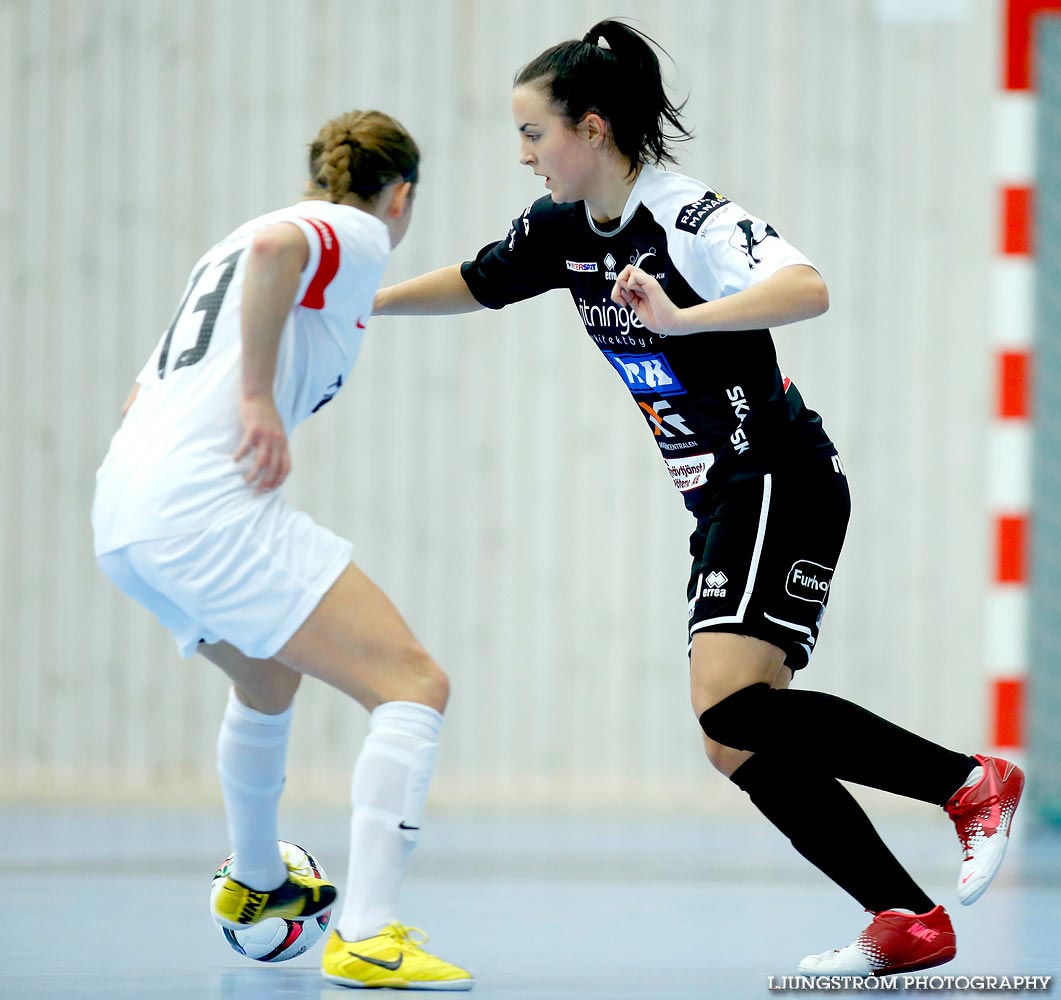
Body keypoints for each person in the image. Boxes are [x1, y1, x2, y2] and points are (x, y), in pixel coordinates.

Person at [372, 20, 1025, 978]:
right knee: (735, 737)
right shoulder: (561, 232)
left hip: (777, 476)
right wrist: (362, 303)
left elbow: (806, 289)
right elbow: (476, 281)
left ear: (591, 129)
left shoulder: (684, 218)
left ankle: (969, 784)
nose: (522, 155)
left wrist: (685, 317)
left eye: (532, 134)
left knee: (725, 705)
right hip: (723, 496)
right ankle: (904, 915)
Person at [92, 110, 473, 991]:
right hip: (203, 511)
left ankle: (259, 884)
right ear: (401, 193)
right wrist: (259, 401)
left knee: (266, 678)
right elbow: (279, 252)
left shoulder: (217, 256)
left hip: (126, 515)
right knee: (414, 686)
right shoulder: (354, 228)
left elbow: (147, 386)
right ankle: (370, 933)